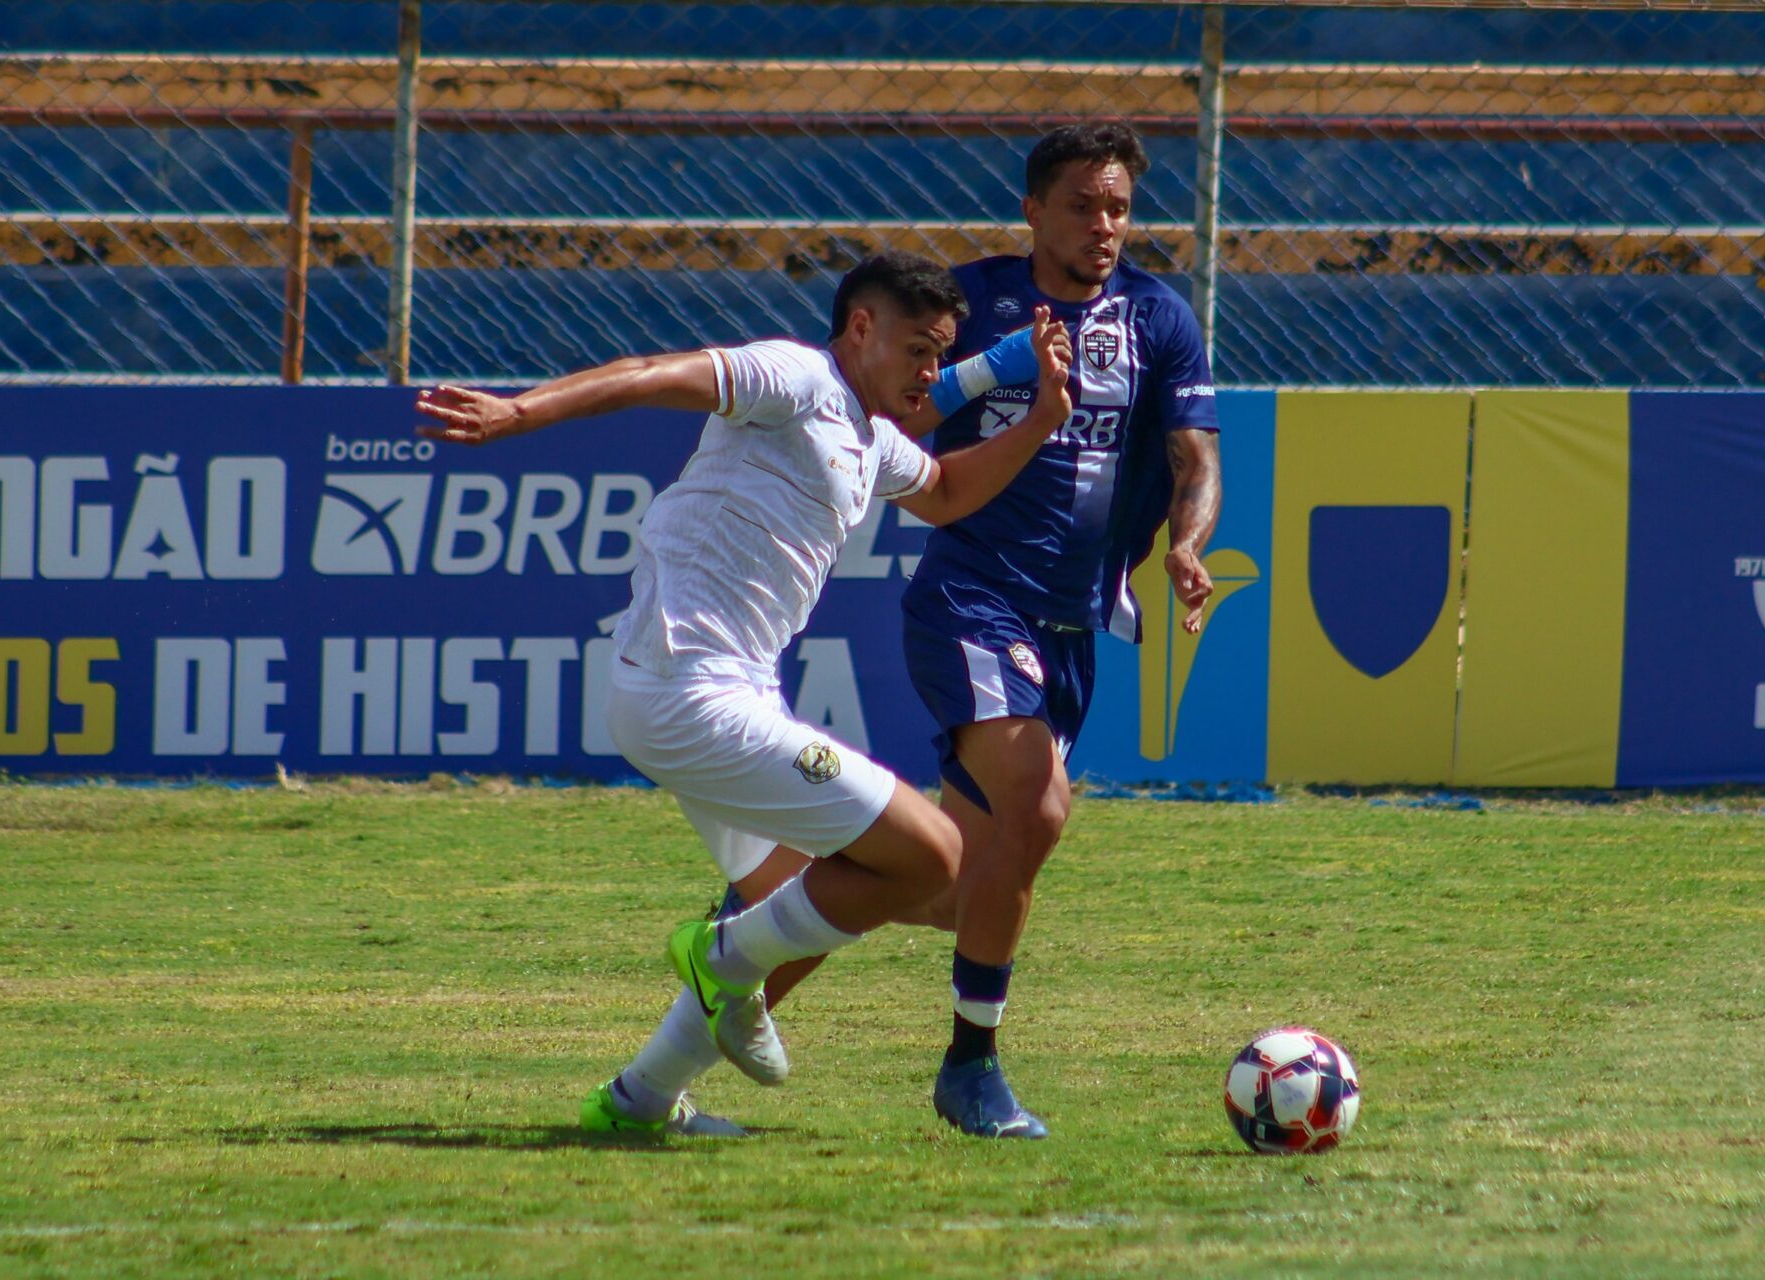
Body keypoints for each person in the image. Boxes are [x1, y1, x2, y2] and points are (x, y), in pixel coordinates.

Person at [597, 122, 1225, 1141]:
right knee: (1037, 802)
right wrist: (998, 379)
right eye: (1081, 203)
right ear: (1033, 210)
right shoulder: (974, 305)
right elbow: (890, 416)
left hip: (1073, 623)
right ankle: (972, 1063)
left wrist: (1189, 545)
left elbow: (1196, 460)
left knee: (941, 884)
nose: (1104, 225)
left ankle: (647, 1083)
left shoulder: (1159, 317)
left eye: (1118, 206)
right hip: (976, 594)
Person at [415, 251, 1074, 1137]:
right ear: (861, 329)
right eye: (919, 351)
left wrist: (1039, 422)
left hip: (718, 698)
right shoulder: (795, 378)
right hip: (692, 696)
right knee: (932, 856)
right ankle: (719, 957)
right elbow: (651, 375)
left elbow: (950, 491)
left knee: (824, 902)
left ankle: (639, 1099)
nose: (931, 374)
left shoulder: (867, 437)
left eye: (941, 354)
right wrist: (519, 412)